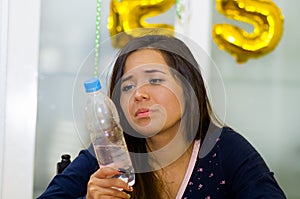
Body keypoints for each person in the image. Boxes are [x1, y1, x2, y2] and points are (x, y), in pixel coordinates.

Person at [37, 33, 286, 199]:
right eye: (127, 86)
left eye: (155, 80)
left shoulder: (225, 149)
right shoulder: (109, 152)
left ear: (189, 90)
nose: (139, 94)